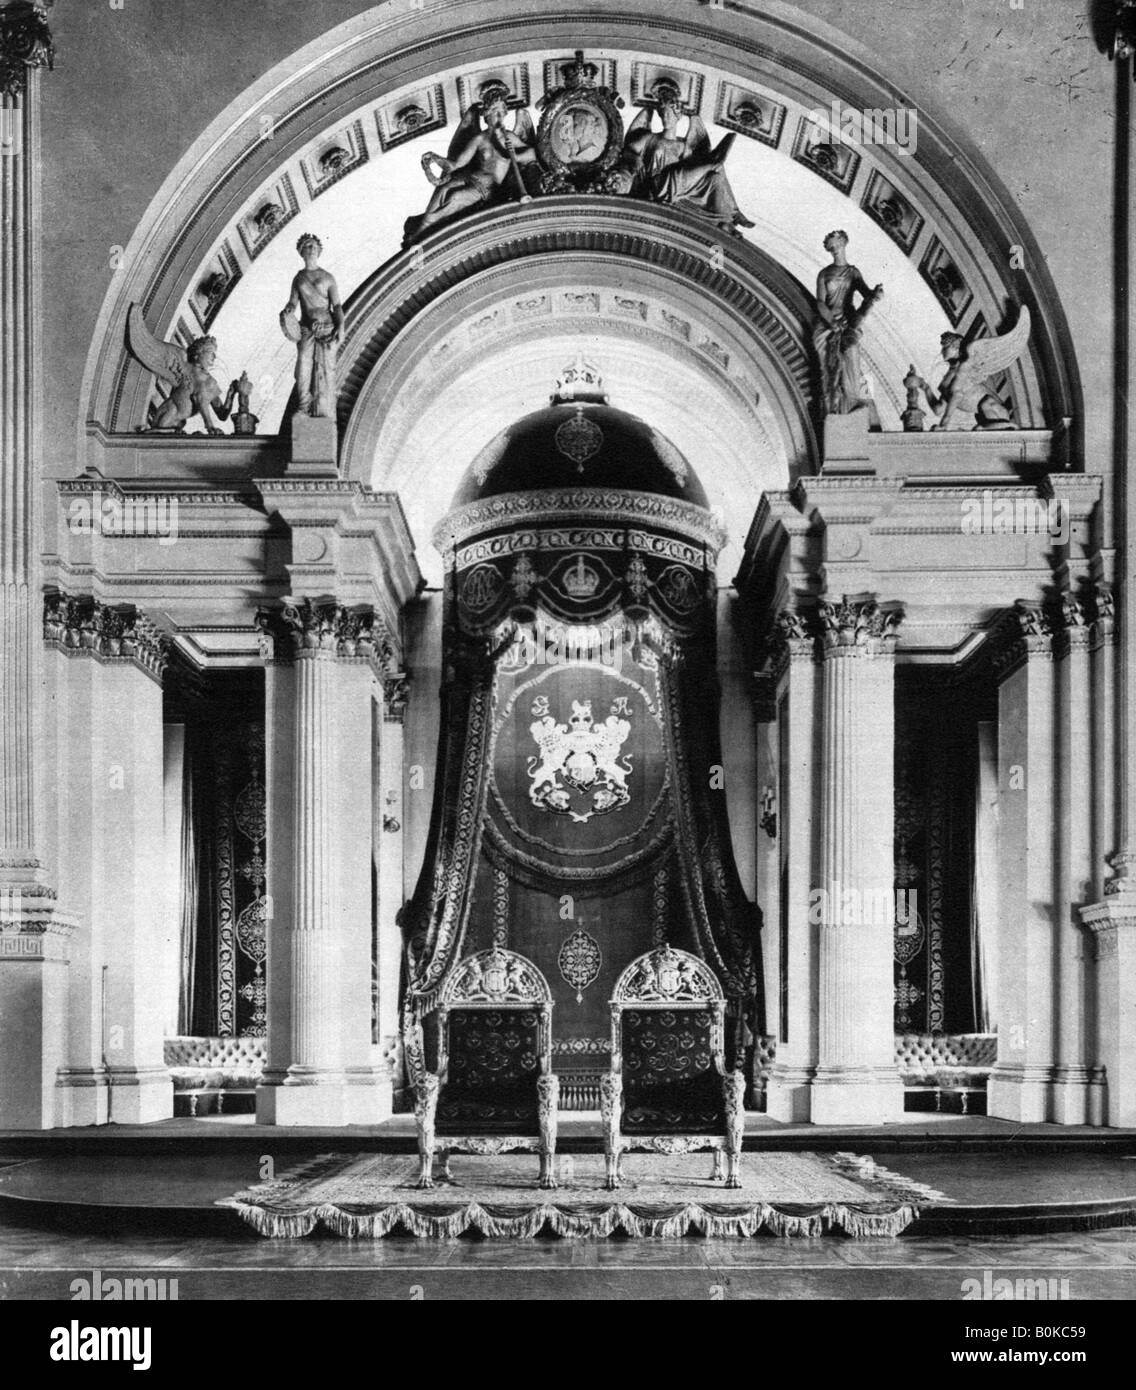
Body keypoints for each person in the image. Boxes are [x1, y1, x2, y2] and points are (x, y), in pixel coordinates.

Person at [404, 85, 535, 245]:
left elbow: (532, 154)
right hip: (468, 178)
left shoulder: (510, 138)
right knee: (443, 191)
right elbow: (456, 164)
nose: (499, 116)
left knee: (454, 197)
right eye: (495, 112)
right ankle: (422, 227)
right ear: (487, 115)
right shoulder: (479, 139)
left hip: (486, 189)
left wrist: (514, 155)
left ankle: (423, 233)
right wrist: (435, 159)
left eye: (502, 112)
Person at [624, 82, 755, 234]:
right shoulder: (649, 138)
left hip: (679, 184)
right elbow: (628, 150)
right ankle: (734, 212)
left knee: (715, 178)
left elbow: (692, 165)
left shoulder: (684, 146)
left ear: (677, 116)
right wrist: (636, 160)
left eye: (669, 114)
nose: (665, 118)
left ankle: (727, 219)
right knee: (714, 165)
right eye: (663, 114)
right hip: (658, 184)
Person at [812, 229, 883, 422]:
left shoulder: (853, 272)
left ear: (844, 244)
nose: (835, 250)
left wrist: (875, 294)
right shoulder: (824, 274)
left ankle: (855, 400)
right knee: (828, 366)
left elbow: (866, 293)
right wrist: (831, 321)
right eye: (831, 248)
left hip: (848, 321)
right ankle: (833, 401)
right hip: (827, 323)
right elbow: (820, 302)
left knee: (852, 352)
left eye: (837, 246)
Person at [279, 233, 343, 419]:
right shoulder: (299, 279)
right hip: (307, 328)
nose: (312, 248)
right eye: (307, 245)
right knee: (303, 365)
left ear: (319, 250)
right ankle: (304, 406)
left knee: (327, 368)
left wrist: (341, 327)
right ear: (301, 251)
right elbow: (293, 302)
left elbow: (337, 305)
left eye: (314, 245)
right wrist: (288, 311)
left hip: (328, 327)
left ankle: (325, 406)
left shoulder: (328, 277)